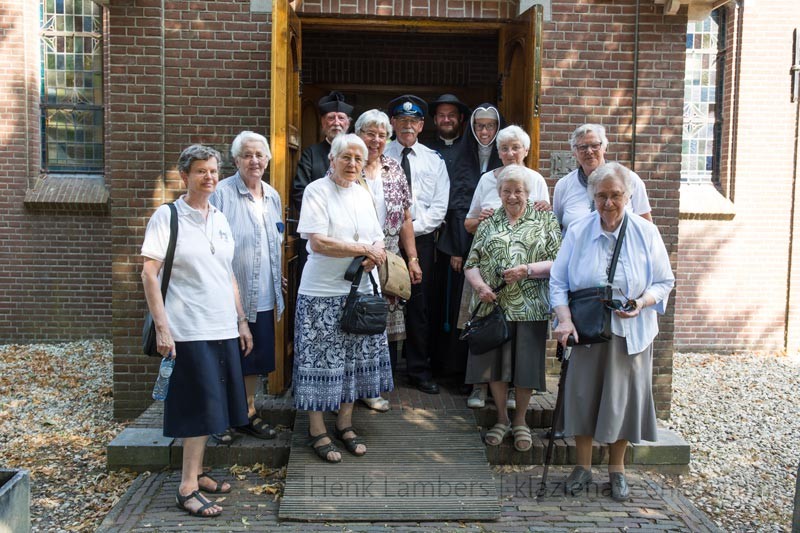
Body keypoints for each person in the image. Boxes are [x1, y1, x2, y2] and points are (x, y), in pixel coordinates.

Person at [549, 162, 674, 501]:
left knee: (622, 400)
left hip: (630, 331)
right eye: (601, 196)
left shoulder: (646, 232)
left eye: (616, 195)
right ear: (592, 197)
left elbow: (664, 281)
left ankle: (617, 470)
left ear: (628, 196)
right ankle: (583, 466)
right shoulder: (578, 230)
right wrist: (564, 319)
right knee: (583, 397)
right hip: (587, 330)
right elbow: (558, 281)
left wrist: (642, 302)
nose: (608, 203)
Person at [141, 145, 251, 518]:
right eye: (201, 171)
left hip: (222, 326)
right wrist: (163, 328)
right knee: (196, 407)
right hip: (187, 329)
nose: (209, 177)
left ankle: (199, 472)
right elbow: (149, 274)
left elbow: (227, 273)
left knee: (212, 405)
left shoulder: (219, 217)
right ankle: (186, 487)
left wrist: (241, 320)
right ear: (184, 175)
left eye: (214, 171)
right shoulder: (167, 216)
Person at [293, 133, 393, 463]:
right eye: (345, 157)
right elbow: (319, 242)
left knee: (353, 361)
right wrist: (363, 249)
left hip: (361, 290)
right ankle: (317, 429)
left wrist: (375, 252)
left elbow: (377, 236)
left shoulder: (363, 193)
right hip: (322, 293)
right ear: (332, 159)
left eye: (358, 159)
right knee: (319, 362)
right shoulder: (316, 190)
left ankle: (345, 424)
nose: (352, 164)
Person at [463, 164, 561, 452]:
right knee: (495, 366)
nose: (513, 196)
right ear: (500, 193)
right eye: (507, 191)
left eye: (518, 191)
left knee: (525, 366)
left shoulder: (545, 219)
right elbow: (471, 263)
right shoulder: (489, 222)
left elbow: (559, 262)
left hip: (530, 307)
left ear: (527, 193)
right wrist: (480, 286)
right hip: (493, 306)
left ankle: (520, 421)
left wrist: (526, 270)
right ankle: (502, 419)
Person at [462, 124, 550, 409]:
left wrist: (528, 268)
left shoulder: (536, 180)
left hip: (526, 286)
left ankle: (515, 391)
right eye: (504, 148)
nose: (510, 153)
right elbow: (469, 223)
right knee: (486, 332)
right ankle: (480, 387)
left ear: (526, 150)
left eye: (515, 148)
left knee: (521, 342)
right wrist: (482, 220)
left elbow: (546, 226)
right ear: (497, 152)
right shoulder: (487, 180)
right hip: (488, 277)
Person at [209, 131, 284, 444]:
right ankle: (219, 418)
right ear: (236, 160)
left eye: (260, 155)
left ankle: (247, 414)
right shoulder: (221, 194)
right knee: (224, 358)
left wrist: (277, 275)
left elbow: (274, 242)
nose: (254, 161)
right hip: (229, 296)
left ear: (267, 159)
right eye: (247, 155)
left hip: (263, 296)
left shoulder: (272, 196)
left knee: (251, 358)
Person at [355, 110, 423, 411]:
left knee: (379, 326)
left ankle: (372, 388)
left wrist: (413, 258)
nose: (376, 140)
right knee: (354, 323)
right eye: (370, 133)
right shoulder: (348, 163)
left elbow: (406, 217)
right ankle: (352, 387)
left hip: (388, 261)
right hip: (354, 260)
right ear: (358, 134)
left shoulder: (394, 168)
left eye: (382, 135)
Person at [435, 103, 504, 399]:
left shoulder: (505, 160)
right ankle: (459, 373)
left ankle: (488, 378)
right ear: (472, 129)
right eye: (479, 126)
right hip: (464, 246)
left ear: (498, 129)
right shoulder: (462, 158)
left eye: (490, 126)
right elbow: (456, 207)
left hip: (498, 253)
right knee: (462, 311)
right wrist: (457, 249)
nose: (484, 131)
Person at [384, 94, 449, 395]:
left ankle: (419, 371)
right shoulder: (379, 155)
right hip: (384, 242)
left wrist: (409, 230)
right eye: (402, 120)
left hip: (421, 243)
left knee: (419, 308)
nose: (407, 126)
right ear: (393, 123)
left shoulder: (434, 160)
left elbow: (439, 207)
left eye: (413, 121)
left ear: (422, 125)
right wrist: (395, 232)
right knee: (383, 306)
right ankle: (383, 371)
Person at [291, 91, 354, 273]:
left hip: (350, 235)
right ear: (323, 122)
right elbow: (300, 192)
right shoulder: (311, 154)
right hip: (318, 234)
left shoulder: (356, 154)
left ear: (348, 123)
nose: (336, 122)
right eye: (331, 118)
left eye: (341, 118)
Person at [553, 123, 652, 232]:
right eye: (583, 147)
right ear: (574, 153)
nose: (589, 151)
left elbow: (646, 227)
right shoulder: (563, 185)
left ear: (604, 148)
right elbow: (557, 229)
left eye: (595, 145)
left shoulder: (629, 179)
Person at [426, 93, 470, 172]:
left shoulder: (470, 148)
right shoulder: (426, 151)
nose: (446, 120)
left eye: (451, 115)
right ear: (435, 119)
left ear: (461, 118)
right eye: (441, 115)